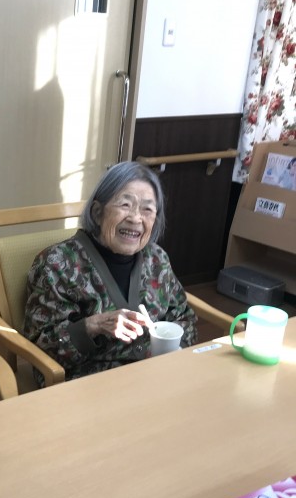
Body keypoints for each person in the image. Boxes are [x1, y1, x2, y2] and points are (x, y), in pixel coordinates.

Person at [23, 161, 197, 382]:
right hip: (89, 384)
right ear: (97, 212)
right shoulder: (57, 264)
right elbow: (41, 348)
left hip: (157, 377)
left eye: (147, 209)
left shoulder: (157, 259)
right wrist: (93, 326)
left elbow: (185, 319)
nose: (136, 218)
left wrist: (173, 347)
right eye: (125, 205)